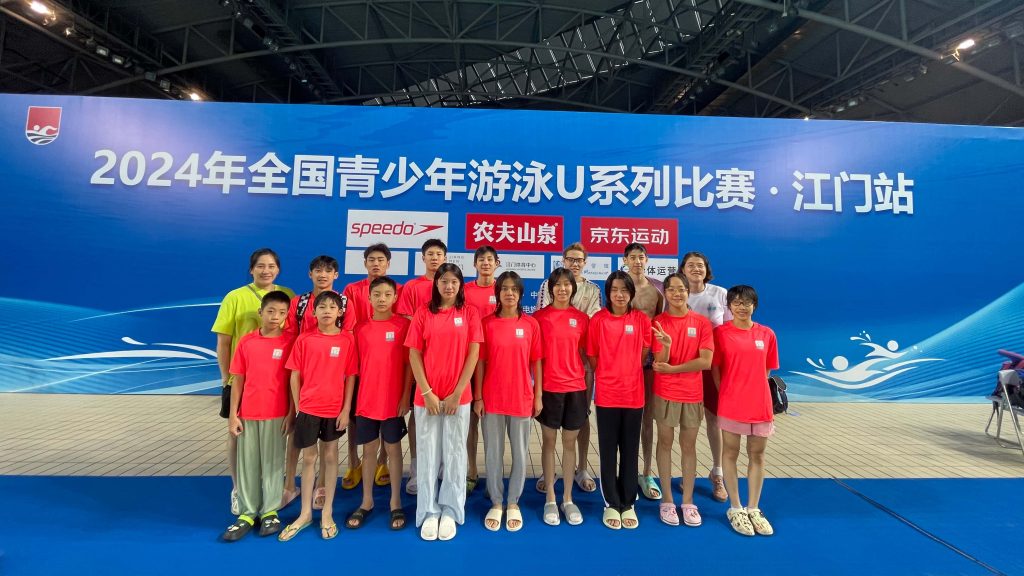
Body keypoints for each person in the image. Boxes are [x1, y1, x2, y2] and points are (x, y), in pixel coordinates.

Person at [212, 248, 295, 515]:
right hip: (241, 379)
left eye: (271, 266)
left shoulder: (288, 295)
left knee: (273, 443)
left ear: (278, 269)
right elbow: (224, 342)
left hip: (275, 384)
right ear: (251, 269)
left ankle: (272, 493)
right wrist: (226, 378)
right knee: (236, 436)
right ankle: (238, 489)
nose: (266, 270)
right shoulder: (234, 297)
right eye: (260, 266)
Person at [405, 263, 482, 541]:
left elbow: (473, 354)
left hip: (457, 397)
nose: (449, 286)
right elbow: (414, 354)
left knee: (455, 453)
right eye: (444, 281)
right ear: (436, 284)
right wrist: (427, 392)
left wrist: (457, 393)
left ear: (460, 285)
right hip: (427, 398)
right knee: (427, 454)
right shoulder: (423, 313)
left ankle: (450, 509)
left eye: (454, 282)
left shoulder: (469, 313)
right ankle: (428, 510)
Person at [279, 291, 358, 542]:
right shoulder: (304, 339)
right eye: (321, 307)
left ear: (340, 312)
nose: (326, 311)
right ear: (313, 312)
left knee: (331, 457)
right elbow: (294, 375)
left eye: (332, 307)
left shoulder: (347, 340)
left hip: (334, 409)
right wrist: (299, 406)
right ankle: (304, 514)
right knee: (309, 458)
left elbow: (350, 376)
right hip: (308, 409)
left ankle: (327, 512)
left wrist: (346, 409)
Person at [222, 290, 295, 541]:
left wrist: (291, 413)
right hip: (248, 413)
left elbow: (293, 382)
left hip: (277, 413)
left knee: (273, 463)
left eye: (282, 313)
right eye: (271, 311)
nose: (275, 317)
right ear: (260, 312)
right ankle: (247, 512)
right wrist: (234, 414)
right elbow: (238, 380)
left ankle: (270, 511)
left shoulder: (290, 342)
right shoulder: (246, 342)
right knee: (248, 463)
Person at [475, 271, 542, 532]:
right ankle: (496, 500)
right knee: (493, 452)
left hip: (521, 397)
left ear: (521, 294)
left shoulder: (531, 324)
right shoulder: (486, 323)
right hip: (492, 397)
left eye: (514, 289)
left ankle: (513, 501)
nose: (509, 293)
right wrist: (479, 396)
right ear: (498, 293)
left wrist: (538, 395)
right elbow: (480, 362)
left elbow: (536, 362)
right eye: (505, 288)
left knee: (520, 453)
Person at [712, 285, 779, 537]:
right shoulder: (721, 333)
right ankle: (736, 507)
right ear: (729, 306)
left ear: (755, 306)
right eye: (737, 302)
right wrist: (727, 392)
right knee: (730, 452)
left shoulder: (767, 334)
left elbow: (767, 370)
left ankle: (753, 508)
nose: (742, 307)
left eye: (747, 302)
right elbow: (716, 369)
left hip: (760, 404)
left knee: (757, 455)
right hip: (731, 403)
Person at [535, 242, 601, 495]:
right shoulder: (543, 303)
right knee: (549, 439)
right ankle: (549, 476)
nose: (575, 263)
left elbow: (591, 337)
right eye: (570, 259)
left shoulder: (592, 292)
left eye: (579, 260)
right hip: (551, 377)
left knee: (579, 424)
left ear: (585, 262)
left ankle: (580, 471)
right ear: (563, 260)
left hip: (578, 374)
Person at [587, 271, 651, 530]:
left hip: (634, 395)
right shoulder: (598, 320)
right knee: (607, 450)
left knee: (630, 450)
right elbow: (592, 355)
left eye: (624, 290)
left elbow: (644, 350)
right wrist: (609, 373)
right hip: (607, 396)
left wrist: (628, 369)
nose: (620, 295)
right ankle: (612, 502)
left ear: (631, 293)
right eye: (614, 290)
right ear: (608, 293)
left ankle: (629, 501)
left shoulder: (641, 319)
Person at [347, 276, 412, 531]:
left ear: (395, 297)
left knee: (393, 450)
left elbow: (409, 365)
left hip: (393, 401)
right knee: (368, 451)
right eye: (377, 295)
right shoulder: (360, 328)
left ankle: (395, 501)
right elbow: (353, 369)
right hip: (366, 401)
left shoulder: (404, 326)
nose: (382, 299)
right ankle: (367, 500)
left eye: (387, 295)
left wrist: (405, 396)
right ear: (368, 298)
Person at [650, 273, 714, 527]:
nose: (677, 294)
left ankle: (688, 501)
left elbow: (705, 362)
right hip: (665, 392)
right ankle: (667, 500)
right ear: (665, 293)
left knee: (689, 446)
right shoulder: (658, 322)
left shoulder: (701, 323)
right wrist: (666, 345)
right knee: (665, 443)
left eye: (681, 289)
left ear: (689, 292)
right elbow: (660, 362)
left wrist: (674, 369)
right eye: (672, 290)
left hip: (692, 393)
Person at [282, 255, 343, 510]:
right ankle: (289, 485)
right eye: (318, 270)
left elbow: (346, 337)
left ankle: (322, 485)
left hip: (328, 379)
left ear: (335, 275)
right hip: (299, 373)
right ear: (310, 274)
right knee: (295, 431)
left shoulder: (344, 303)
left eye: (328, 271)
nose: (322, 275)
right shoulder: (298, 303)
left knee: (328, 445)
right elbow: (289, 335)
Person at [342, 244, 403, 490]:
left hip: (386, 365)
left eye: (380, 260)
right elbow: (348, 325)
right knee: (357, 419)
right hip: (361, 359)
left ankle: (382, 462)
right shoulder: (352, 289)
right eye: (371, 260)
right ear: (365, 263)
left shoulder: (396, 289)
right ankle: (353, 462)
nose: (376, 263)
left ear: (388, 263)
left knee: (387, 418)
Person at [533, 268, 589, 527]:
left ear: (573, 288)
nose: (563, 289)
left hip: (575, 388)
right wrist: (538, 392)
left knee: (569, 444)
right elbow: (536, 359)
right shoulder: (539, 318)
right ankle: (550, 499)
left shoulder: (582, 319)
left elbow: (585, 355)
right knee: (548, 442)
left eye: (567, 284)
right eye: (558, 284)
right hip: (550, 389)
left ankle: (567, 498)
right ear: (551, 288)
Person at [397, 238, 448, 496]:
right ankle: (417, 469)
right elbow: (407, 319)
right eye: (430, 254)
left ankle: (444, 467)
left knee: (447, 415)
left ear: (445, 257)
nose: (434, 258)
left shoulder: (450, 284)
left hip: (446, 361)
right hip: (419, 359)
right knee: (419, 416)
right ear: (423, 258)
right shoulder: (412, 287)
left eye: (439, 254)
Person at [681, 251, 731, 503]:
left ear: (706, 269)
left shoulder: (720, 294)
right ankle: (687, 472)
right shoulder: (676, 294)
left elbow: (731, 331)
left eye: (700, 265)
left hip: (713, 366)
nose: (695, 269)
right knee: (687, 422)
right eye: (690, 265)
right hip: (686, 365)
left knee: (714, 419)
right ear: (683, 269)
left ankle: (717, 472)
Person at [623, 242, 665, 501]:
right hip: (622, 359)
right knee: (623, 418)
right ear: (625, 260)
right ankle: (625, 472)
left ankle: (647, 472)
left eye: (641, 257)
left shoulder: (657, 289)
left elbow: (659, 324)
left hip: (648, 360)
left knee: (647, 418)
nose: (637, 261)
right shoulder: (619, 286)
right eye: (633, 257)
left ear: (647, 260)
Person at [463, 245, 500, 496]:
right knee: (470, 423)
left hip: (496, 363)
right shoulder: (465, 291)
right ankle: (472, 471)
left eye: (490, 259)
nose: (485, 263)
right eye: (481, 260)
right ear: (475, 264)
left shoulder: (504, 288)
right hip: (470, 361)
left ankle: (492, 474)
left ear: (497, 263)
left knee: (492, 424)